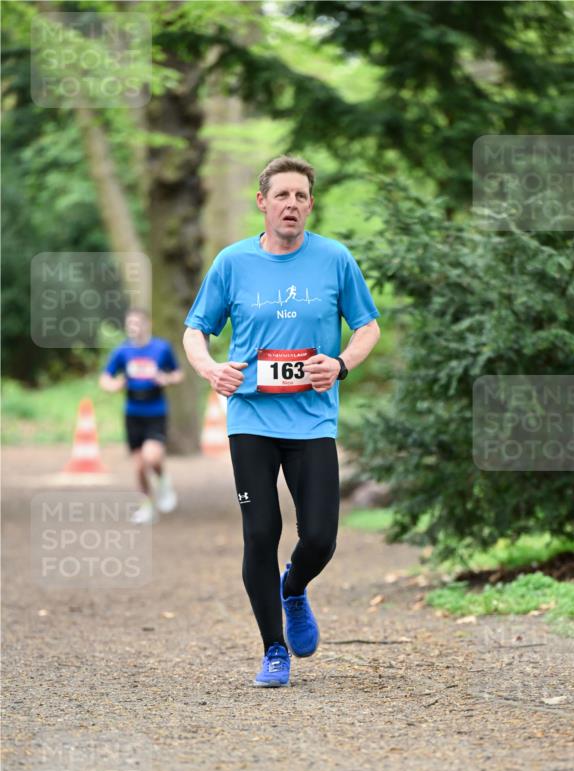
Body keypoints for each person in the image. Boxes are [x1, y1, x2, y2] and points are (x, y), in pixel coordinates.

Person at [183, 155, 381, 687]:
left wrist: (340, 364)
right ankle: (274, 649)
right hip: (251, 416)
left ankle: (293, 589)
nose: (291, 204)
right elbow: (195, 330)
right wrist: (210, 369)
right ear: (262, 203)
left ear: (310, 204)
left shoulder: (335, 259)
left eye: (300, 196)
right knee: (261, 531)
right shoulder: (232, 263)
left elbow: (367, 328)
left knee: (319, 537)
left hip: (313, 420)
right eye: (282, 195)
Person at [100, 307, 183, 524]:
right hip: (133, 413)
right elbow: (105, 378)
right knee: (138, 466)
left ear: (148, 324)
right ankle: (146, 508)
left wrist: (166, 379)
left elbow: (178, 373)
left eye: (137, 324)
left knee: (152, 457)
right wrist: (114, 385)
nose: (133, 329)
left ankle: (163, 481)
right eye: (130, 325)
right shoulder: (122, 352)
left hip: (156, 411)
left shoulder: (161, 348)